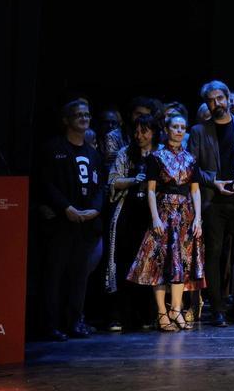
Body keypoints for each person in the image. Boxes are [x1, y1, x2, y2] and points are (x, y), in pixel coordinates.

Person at [188, 80, 234, 327]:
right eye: (211, 100)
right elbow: (192, 167)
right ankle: (217, 309)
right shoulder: (199, 131)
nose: (216, 103)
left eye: (220, 98)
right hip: (213, 202)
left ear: (228, 98)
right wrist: (213, 181)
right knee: (215, 256)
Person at [126, 113, 205, 332]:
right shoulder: (156, 157)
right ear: (167, 130)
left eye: (182, 127)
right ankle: (162, 312)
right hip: (164, 213)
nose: (179, 131)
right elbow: (151, 191)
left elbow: (195, 191)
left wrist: (198, 218)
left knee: (181, 263)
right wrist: (155, 218)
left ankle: (176, 310)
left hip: (185, 214)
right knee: (160, 263)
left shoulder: (190, 158)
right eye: (175, 127)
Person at [38, 99, 105, 341]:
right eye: (78, 115)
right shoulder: (53, 149)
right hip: (61, 222)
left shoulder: (92, 154)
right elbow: (46, 183)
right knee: (55, 274)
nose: (84, 118)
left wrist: (94, 210)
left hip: (86, 225)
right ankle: (50, 324)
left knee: (79, 275)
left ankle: (74, 321)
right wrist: (65, 207)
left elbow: (100, 187)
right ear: (66, 120)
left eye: (87, 114)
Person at [104, 113, 158, 332]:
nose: (139, 135)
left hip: (152, 215)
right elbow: (113, 180)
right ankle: (121, 315)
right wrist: (134, 180)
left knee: (149, 264)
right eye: (135, 131)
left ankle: (147, 314)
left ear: (153, 132)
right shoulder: (125, 153)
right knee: (125, 263)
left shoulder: (161, 153)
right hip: (128, 214)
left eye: (143, 131)